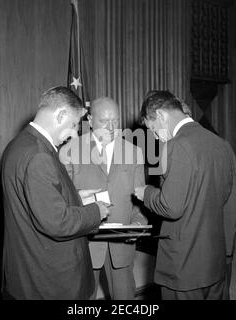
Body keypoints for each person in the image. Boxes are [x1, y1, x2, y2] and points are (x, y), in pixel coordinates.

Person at [0, 86, 110, 300]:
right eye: (73, 125)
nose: (72, 134)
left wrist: (78, 197)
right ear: (61, 115)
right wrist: (96, 211)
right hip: (49, 279)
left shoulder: (19, 145)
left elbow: (38, 200)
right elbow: (56, 222)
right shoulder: (39, 155)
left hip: (28, 270)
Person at [134, 90, 236, 300]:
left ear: (162, 116)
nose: (155, 136)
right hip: (215, 261)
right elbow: (233, 206)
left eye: (153, 129)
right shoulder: (222, 144)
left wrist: (145, 192)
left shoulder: (175, 146)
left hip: (183, 267)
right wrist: (226, 252)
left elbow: (171, 207)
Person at [60, 97, 147, 299]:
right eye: (104, 121)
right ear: (89, 120)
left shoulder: (134, 152)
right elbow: (62, 200)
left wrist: (138, 224)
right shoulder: (70, 151)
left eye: (115, 121)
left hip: (122, 241)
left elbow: (139, 199)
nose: (110, 127)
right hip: (85, 240)